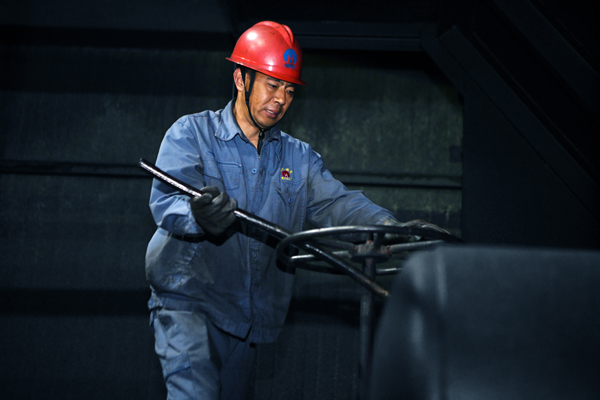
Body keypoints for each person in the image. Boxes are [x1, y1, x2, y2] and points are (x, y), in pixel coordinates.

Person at [145, 20, 445, 399]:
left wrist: (387, 225)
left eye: (289, 90)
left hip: (246, 319)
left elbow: (337, 203)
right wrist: (198, 216)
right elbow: (166, 203)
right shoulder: (192, 134)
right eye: (272, 85)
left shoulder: (298, 159)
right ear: (241, 79)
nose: (280, 100)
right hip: (190, 303)